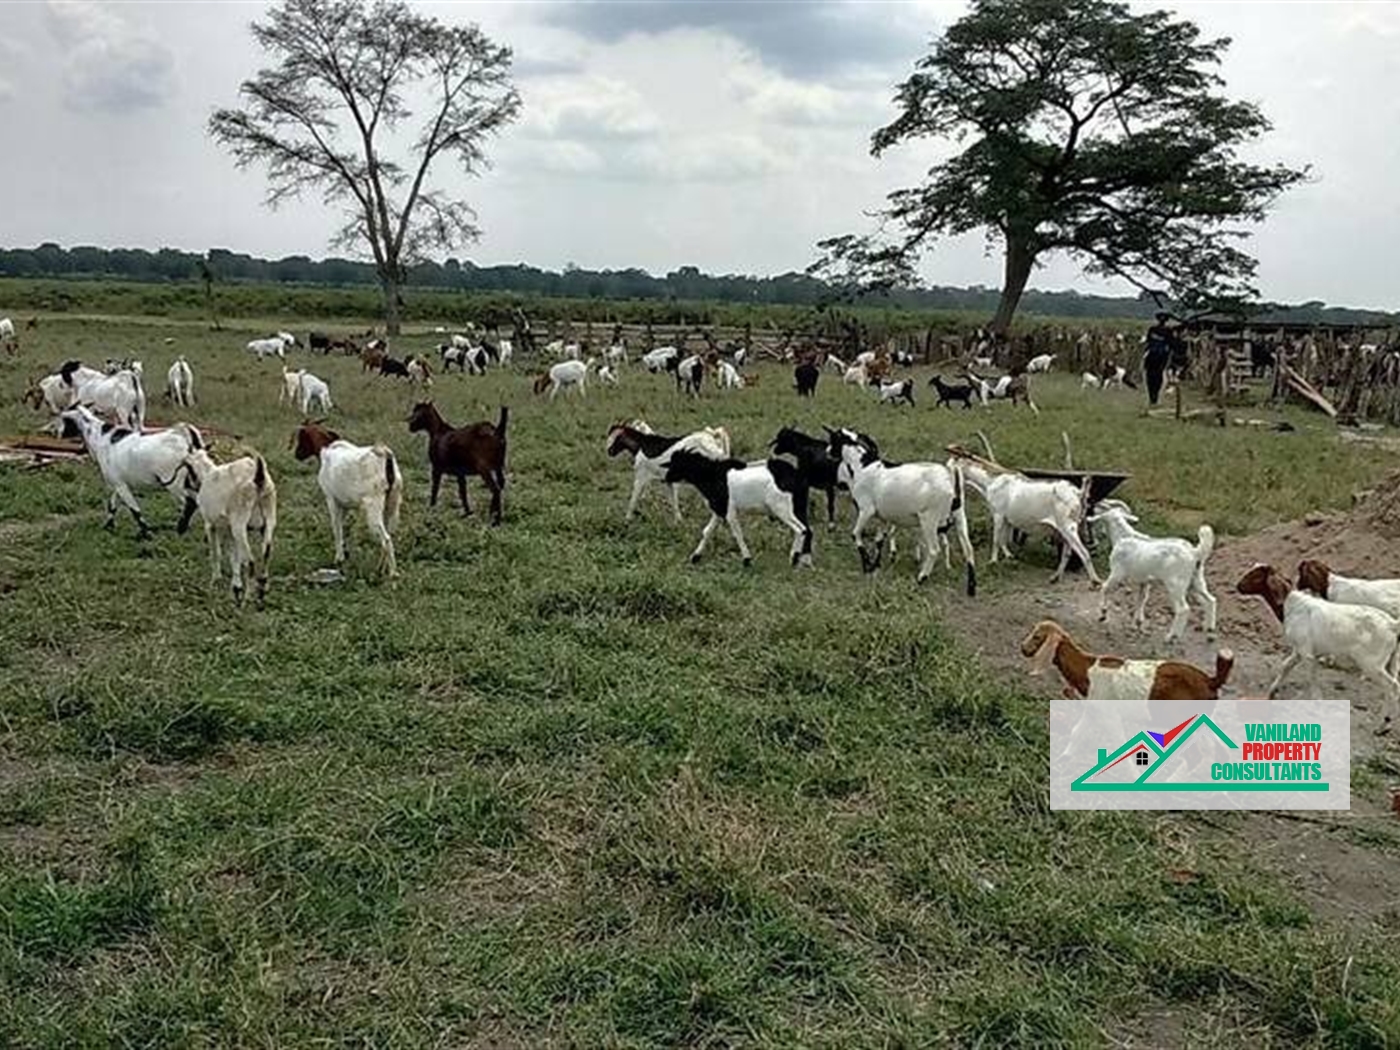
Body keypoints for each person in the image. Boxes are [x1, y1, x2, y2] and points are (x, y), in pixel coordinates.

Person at [1142, 311, 1183, 406]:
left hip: (1157, 357)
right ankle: (1153, 397)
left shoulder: (1158, 330)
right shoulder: (1157, 330)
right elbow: (1172, 345)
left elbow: (1149, 342)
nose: (1162, 320)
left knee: (1154, 376)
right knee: (1154, 376)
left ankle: (1153, 397)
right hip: (1156, 356)